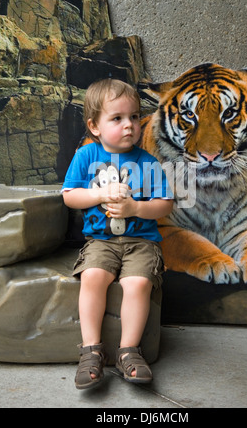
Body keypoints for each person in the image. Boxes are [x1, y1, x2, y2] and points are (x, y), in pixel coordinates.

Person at [62, 78, 173, 389]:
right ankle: (91, 350)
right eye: (117, 118)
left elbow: (165, 205)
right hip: (101, 241)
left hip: (141, 243)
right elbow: (70, 196)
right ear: (94, 126)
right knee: (93, 277)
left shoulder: (148, 162)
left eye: (135, 117)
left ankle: (129, 351)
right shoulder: (86, 157)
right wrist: (99, 195)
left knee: (138, 283)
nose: (129, 126)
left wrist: (136, 209)